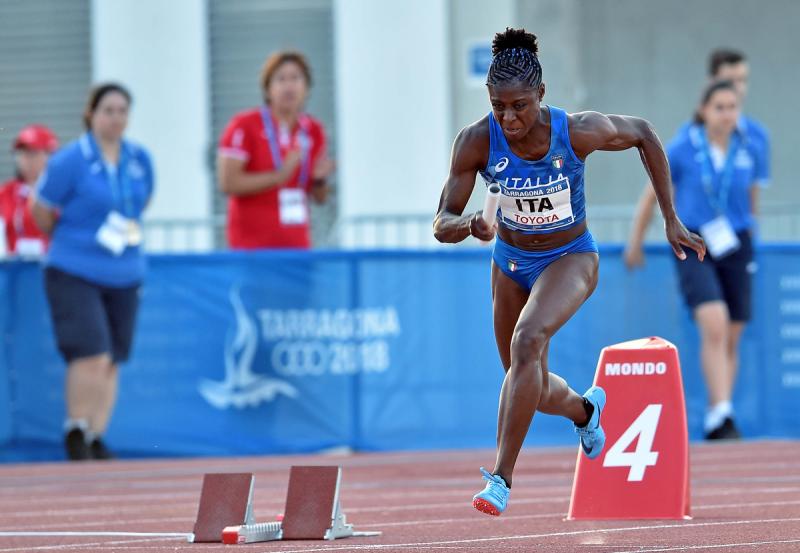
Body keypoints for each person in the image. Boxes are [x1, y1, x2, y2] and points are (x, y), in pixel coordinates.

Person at [432, 28, 704, 516]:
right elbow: (441, 222)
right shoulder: (475, 141)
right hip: (510, 264)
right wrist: (472, 222)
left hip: (571, 257)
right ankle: (586, 410)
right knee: (525, 382)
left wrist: (670, 217)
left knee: (527, 339)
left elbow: (644, 132)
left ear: (542, 93)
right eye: (499, 106)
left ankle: (500, 479)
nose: (509, 118)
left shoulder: (577, 130)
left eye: (519, 105)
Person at [625, 79, 764, 441]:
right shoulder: (684, 147)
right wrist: (636, 241)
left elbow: (752, 200)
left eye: (733, 107)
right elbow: (654, 193)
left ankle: (722, 409)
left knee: (732, 330)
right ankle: (719, 414)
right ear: (704, 110)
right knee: (713, 321)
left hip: (737, 242)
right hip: (695, 240)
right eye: (719, 107)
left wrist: (752, 238)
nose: (727, 114)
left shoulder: (749, 145)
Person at [31, 83, 154, 461]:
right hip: (75, 268)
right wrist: (73, 241)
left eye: (122, 110)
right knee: (91, 353)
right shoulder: (71, 159)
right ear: (92, 114)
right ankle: (76, 428)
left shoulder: (138, 158)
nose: (116, 118)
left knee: (113, 357)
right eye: (108, 110)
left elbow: (141, 200)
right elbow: (41, 209)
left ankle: (97, 435)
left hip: (125, 270)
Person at [217, 50, 334, 249]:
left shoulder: (313, 130)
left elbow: (319, 198)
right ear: (268, 88)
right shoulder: (245, 125)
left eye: (296, 78)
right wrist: (279, 176)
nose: (289, 86)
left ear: (306, 87)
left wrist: (319, 180)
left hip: (297, 246)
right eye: (281, 79)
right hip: (252, 249)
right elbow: (228, 183)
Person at [0, 125, 58, 257]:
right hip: (14, 271)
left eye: (33, 153)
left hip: (53, 269)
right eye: (21, 154)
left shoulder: (63, 192)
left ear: (51, 155)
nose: (26, 159)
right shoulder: (6, 192)